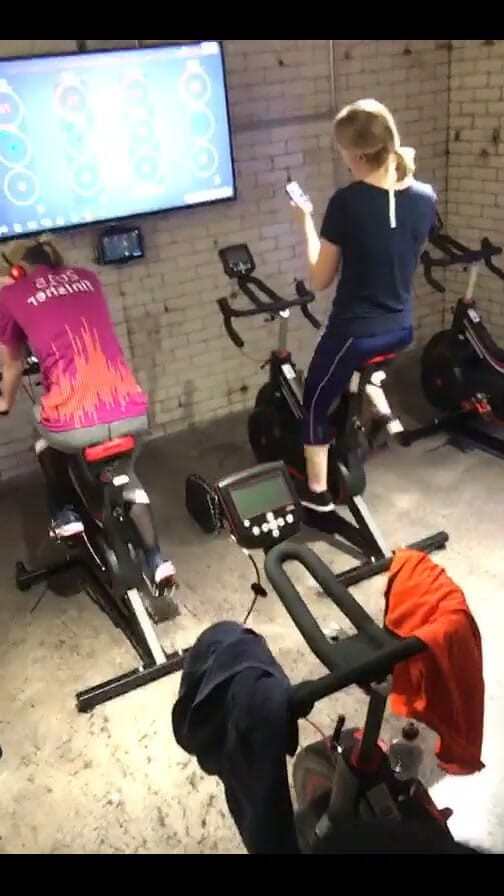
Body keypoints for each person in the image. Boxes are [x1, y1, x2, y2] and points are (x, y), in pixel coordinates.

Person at [0, 236, 176, 594]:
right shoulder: (88, 278)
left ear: (17, 269)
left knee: (41, 430)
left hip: (74, 422)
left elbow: (13, 365)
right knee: (127, 474)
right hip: (130, 410)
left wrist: (4, 402)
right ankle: (157, 560)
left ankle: (65, 511)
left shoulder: (11, 294)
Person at [292, 98, 438, 512]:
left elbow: (320, 279)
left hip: (355, 333)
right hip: (401, 328)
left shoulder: (347, 202)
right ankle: (372, 390)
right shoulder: (425, 197)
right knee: (359, 368)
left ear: (356, 155)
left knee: (314, 400)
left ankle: (316, 494)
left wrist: (304, 221)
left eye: (343, 152)